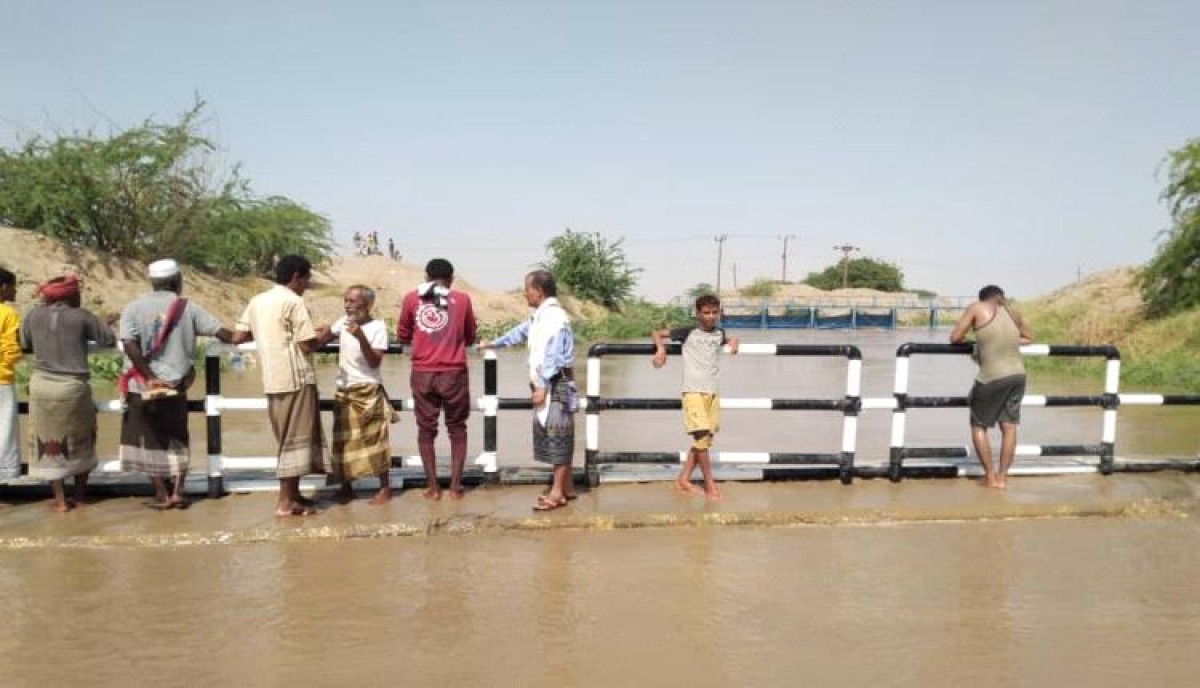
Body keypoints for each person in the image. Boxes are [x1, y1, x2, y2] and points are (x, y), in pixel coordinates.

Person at [117, 259, 235, 509]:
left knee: (148, 437)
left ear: (152, 282)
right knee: (177, 437)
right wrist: (247, 334)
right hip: (175, 385)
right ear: (178, 281)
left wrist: (149, 376)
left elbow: (129, 344)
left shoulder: (133, 307)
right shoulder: (188, 308)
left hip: (142, 384)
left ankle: (161, 493)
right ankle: (178, 492)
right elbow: (223, 334)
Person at [232, 255, 332, 517]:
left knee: (286, 437)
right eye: (306, 279)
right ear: (297, 277)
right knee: (295, 440)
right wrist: (327, 334)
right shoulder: (293, 302)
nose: (307, 285)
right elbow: (307, 345)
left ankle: (294, 496)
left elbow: (240, 335)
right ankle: (285, 503)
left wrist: (268, 331)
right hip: (295, 377)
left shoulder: (258, 301)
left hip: (272, 379)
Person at [480, 270, 576, 510]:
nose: (524, 293)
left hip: (555, 383)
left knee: (559, 436)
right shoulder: (540, 317)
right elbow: (520, 333)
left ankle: (557, 494)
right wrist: (494, 344)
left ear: (539, 291)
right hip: (548, 383)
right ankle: (567, 487)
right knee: (556, 433)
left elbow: (553, 354)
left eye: (527, 289)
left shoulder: (554, 317)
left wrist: (542, 387)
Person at [19, 274, 116, 511]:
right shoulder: (82, 316)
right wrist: (105, 322)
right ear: (71, 295)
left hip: (42, 386)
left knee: (50, 444)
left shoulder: (33, 315)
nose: (81, 296)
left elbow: (24, 343)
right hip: (72, 387)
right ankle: (80, 495)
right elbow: (108, 340)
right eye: (78, 293)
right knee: (82, 440)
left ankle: (61, 501)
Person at [396, 258, 477, 500]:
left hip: (423, 372)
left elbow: (402, 334)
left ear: (426, 277)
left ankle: (433, 488)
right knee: (457, 428)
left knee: (426, 430)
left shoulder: (412, 299)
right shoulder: (462, 300)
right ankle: (454, 487)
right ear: (451, 278)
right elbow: (470, 335)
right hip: (454, 372)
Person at [651, 294, 739, 500]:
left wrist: (734, 340)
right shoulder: (687, 331)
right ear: (697, 313)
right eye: (706, 312)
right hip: (693, 391)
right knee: (701, 437)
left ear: (719, 313)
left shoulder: (719, 333)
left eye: (714, 312)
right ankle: (710, 485)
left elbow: (726, 339)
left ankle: (684, 479)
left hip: (712, 392)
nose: (710, 316)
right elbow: (657, 333)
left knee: (704, 440)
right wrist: (661, 349)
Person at [950, 284, 1034, 489]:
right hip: (1017, 376)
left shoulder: (976, 308)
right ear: (1000, 298)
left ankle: (989, 477)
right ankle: (1002, 478)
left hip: (991, 377)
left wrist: (979, 343)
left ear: (983, 298)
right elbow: (1029, 338)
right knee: (1009, 426)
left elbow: (955, 337)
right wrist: (1008, 341)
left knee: (979, 426)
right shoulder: (1014, 313)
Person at [329, 285, 395, 504]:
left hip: (368, 388)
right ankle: (346, 488)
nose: (347, 305)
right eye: (345, 300)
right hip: (345, 388)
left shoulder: (378, 327)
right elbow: (323, 336)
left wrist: (360, 337)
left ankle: (384, 489)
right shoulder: (342, 322)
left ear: (367, 305)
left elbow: (375, 361)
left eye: (352, 301)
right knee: (343, 441)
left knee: (375, 440)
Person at [0, 267, 21, 480]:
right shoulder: (7, 313)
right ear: (4, 287)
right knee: (4, 428)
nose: (15, 292)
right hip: (1, 378)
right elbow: (11, 349)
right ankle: (4, 474)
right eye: (14, 287)